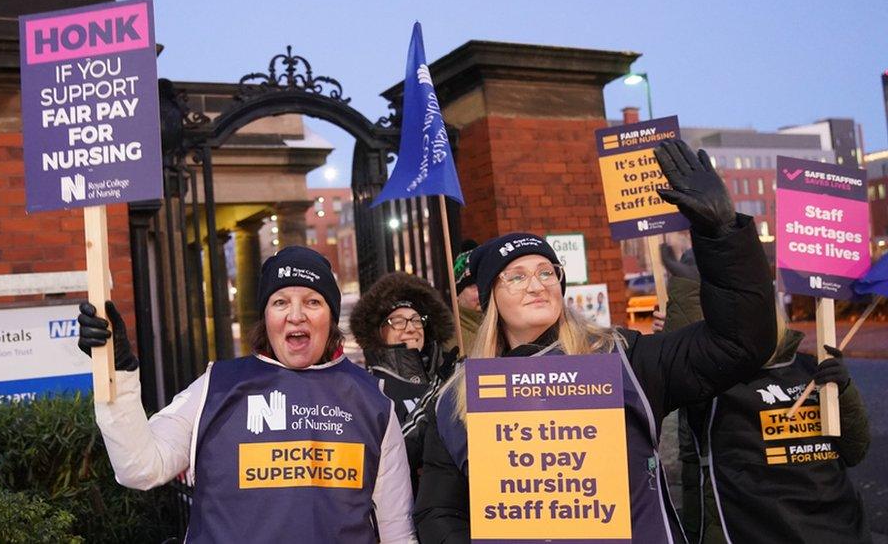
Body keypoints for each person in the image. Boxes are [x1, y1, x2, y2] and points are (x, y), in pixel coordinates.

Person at [413, 139, 777, 543]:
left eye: (547, 272)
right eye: (516, 276)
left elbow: (740, 343)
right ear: (490, 299)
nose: (536, 285)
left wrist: (722, 235)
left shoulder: (622, 358)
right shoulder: (460, 395)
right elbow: (438, 512)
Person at [78, 246, 417, 543]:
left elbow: (397, 531)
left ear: (330, 316)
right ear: (265, 316)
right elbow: (140, 467)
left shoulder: (371, 400)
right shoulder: (217, 386)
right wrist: (116, 370)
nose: (296, 315)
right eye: (280, 301)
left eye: (313, 301)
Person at [655, 248, 872, 544]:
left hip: (837, 530)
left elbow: (854, 450)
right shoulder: (715, 379)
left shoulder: (811, 366)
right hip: (748, 528)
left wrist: (842, 391)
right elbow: (682, 366)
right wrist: (691, 286)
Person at [350, 271, 458, 495]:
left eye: (417, 320)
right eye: (398, 322)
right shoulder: (369, 388)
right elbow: (393, 456)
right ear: (379, 331)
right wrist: (438, 389)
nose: (411, 328)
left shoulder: (449, 374)